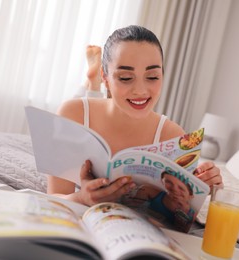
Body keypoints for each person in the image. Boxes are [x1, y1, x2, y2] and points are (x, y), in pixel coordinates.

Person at [48, 25, 223, 206]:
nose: (140, 91)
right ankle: (93, 85)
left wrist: (206, 188)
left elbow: (179, 213)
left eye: (153, 77)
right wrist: (81, 199)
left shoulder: (172, 136)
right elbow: (54, 196)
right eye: (125, 77)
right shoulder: (73, 113)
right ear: (105, 77)